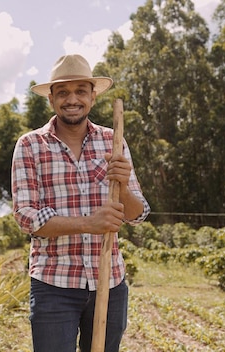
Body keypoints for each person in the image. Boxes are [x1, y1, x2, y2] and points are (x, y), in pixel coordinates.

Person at [11, 54, 150, 352]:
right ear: (51, 99)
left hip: (109, 282)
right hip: (53, 284)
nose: (71, 99)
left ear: (92, 97)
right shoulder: (30, 145)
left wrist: (123, 187)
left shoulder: (114, 141)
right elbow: (26, 217)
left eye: (80, 91)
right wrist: (89, 223)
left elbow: (137, 215)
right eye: (62, 92)